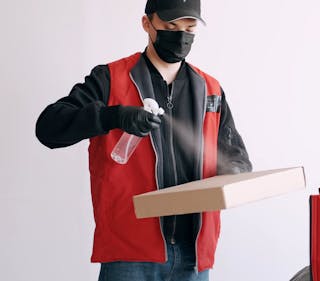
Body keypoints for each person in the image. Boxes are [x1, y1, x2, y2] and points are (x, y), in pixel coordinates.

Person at [35, 0, 252, 280]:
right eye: (171, 26)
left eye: (189, 27)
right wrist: (113, 116)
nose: (181, 35)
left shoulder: (211, 89)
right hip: (130, 253)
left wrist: (233, 172)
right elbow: (48, 128)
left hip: (194, 256)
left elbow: (236, 157)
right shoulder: (110, 79)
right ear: (147, 24)